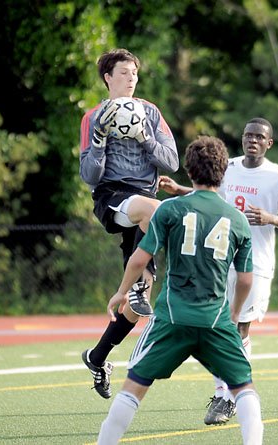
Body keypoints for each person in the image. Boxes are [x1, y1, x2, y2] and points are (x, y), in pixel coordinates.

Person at [96, 135, 263, 445]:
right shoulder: (237, 219)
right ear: (223, 172)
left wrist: (122, 292)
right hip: (215, 319)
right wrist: (235, 313)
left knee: (134, 386)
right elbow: (245, 279)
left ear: (188, 170)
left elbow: (139, 258)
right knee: (244, 389)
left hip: (172, 316)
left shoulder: (170, 209)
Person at [160, 117, 278, 425]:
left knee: (239, 327)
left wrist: (270, 218)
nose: (252, 140)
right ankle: (223, 393)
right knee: (215, 327)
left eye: (259, 137)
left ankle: (230, 396)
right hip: (219, 259)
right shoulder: (229, 168)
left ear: (269, 143)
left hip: (256, 263)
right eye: (248, 135)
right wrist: (178, 190)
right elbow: (210, 195)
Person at [79, 48, 179, 399]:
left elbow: (173, 161)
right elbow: (88, 175)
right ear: (108, 77)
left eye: (134, 72)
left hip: (143, 209)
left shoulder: (151, 112)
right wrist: (99, 141)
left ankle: (97, 356)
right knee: (156, 209)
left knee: (136, 309)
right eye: (123, 72)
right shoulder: (93, 116)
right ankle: (135, 286)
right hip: (112, 198)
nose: (131, 78)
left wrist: (143, 137)